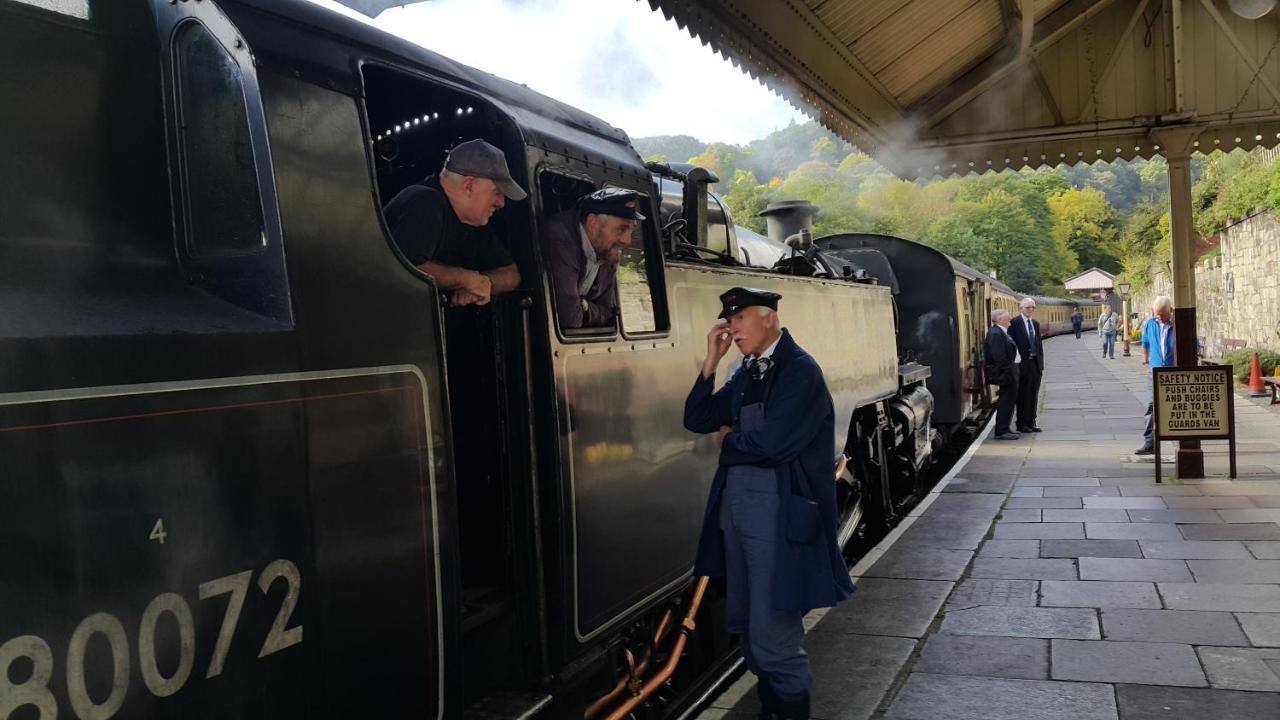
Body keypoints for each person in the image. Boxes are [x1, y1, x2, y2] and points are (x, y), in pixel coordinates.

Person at [683, 287, 853, 720]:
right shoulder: (745, 372)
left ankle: (790, 712)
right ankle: (772, 710)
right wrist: (711, 363)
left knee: (773, 632)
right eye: (729, 320)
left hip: (776, 517)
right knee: (744, 623)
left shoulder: (798, 371)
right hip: (740, 515)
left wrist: (728, 440)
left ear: (768, 319)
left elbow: (773, 444)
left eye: (739, 319)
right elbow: (697, 419)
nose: (731, 328)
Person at [383, 139, 524, 306]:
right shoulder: (424, 202)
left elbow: (511, 275)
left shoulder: (473, 221)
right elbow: (403, 269)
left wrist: (483, 284)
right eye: (497, 192)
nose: (502, 203)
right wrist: (465, 279)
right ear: (469, 185)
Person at [541, 188, 645, 329]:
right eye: (621, 229)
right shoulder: (560, 238)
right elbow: (568, 319)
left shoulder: (608, 250)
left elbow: (609, 313)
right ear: (592, 223)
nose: (627, 240)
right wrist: (590, 310)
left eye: (631, 230)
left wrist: (583, 307)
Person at [1135, 295, 1176, 455]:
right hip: (1155, 371)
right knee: (1152, 407)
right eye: (1157, 313)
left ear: (1170, 310)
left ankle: (1182, 438)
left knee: (1176, 407)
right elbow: (1145, 343)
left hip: (1174, 371)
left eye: (1162, 314)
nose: (1159, 317)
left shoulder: (1177, 324)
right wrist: (1146, 361)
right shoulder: (1150, 324)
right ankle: (1149, 443)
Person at [1007, 297, 1043, 433]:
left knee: (1034, 394)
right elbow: (1011, 345)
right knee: (1023, 395)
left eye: (1033, 307)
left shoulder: (1035, 323)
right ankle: (1021, 423)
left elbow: (1039, 345)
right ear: (1020, 308)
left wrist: (1041, 364)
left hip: (1035, 364)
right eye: (1028, 307)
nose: (1031, 310)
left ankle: (1031, 421)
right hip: (1021, 365)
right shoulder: (1014, 323)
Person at [984, 309, 1021, 440]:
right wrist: (1008, 370)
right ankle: (1001, 431)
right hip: (1006, 372)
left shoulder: (1001, 332)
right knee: (1006, 401)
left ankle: (1005, 428)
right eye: (1007, 318)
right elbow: (999, 356)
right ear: (1000, 320)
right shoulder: (995, 333)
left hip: (1010, 370)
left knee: (1009, 401)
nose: (1010, 319)